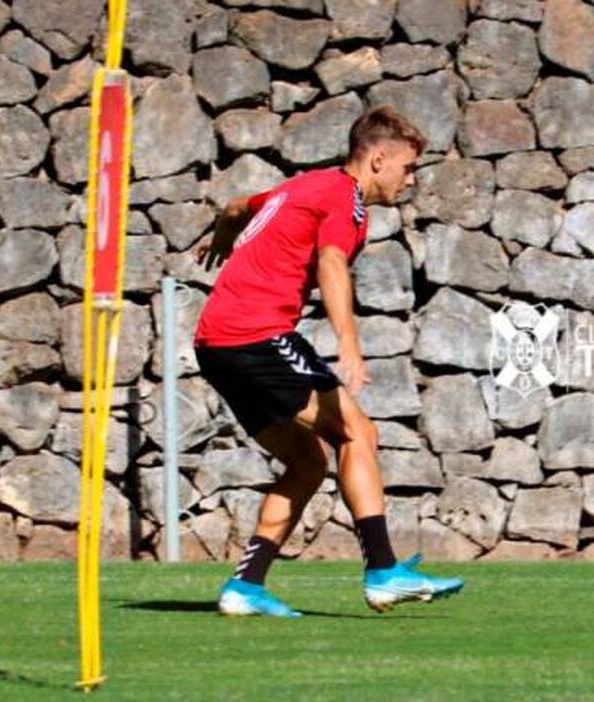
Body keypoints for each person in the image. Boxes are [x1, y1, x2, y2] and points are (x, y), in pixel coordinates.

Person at [193, 105, 462, 617]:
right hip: (256, 335)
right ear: (378, 160)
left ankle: (245, 586)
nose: (410, 180)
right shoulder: (346, 200)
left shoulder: (305, 185)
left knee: (308, 462)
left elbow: (235, 207)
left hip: (214, 343)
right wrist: (349, 344)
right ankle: (383, 572)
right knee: (359, 432)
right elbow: (332, 261)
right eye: (408, 168)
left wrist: (223, 240)